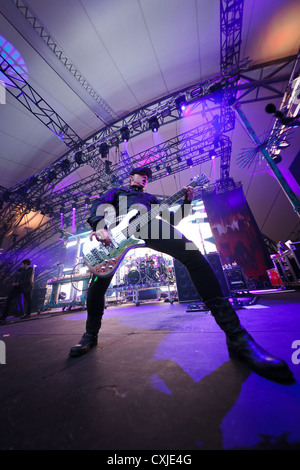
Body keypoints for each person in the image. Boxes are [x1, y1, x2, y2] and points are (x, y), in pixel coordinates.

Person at [69, 167, 293, 382]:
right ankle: (90, 335)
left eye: (148, 177)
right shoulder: (117, 192)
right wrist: (99, 226)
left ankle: (237, 336)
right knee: (98, 283)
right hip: (114, 238)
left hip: (151, 227)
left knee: (194, 255)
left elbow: (174, 221)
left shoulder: (152, 200)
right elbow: (99, 205)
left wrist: (186, 202)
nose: (145, 178)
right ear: (131, 178)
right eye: (142, 175)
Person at [0, 259, 34, 324]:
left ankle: (28, 314)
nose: (21, 265)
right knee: (9, 299)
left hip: (26, 287)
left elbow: (28, 280)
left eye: (22, 264)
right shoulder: (21, 269)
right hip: (19, 287)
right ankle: (3, 317)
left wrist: (18, 283)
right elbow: (18, 277)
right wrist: (16, 283)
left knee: (28, 300)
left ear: (25, 264)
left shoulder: (31, 270)